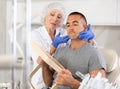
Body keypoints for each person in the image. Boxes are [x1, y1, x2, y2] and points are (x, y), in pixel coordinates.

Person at [31, 2, 94, 88]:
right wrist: (53, 46)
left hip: (63, 79)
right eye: (52, 15)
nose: (55, 19)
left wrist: (90, 38)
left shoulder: (64, 33)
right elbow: (40, 61)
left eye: (59, 17)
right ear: (45, 16)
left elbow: (88, 49)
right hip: (42, 80)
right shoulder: (34, 35)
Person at [42, 12, 106, 89]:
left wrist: (71, 82)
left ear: (85, 28)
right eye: (68, 25)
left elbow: (98, 87)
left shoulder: (93, 53)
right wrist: (44, 65)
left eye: (75, 24)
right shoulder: (60, 50)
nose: (71, 28)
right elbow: (48, 83)